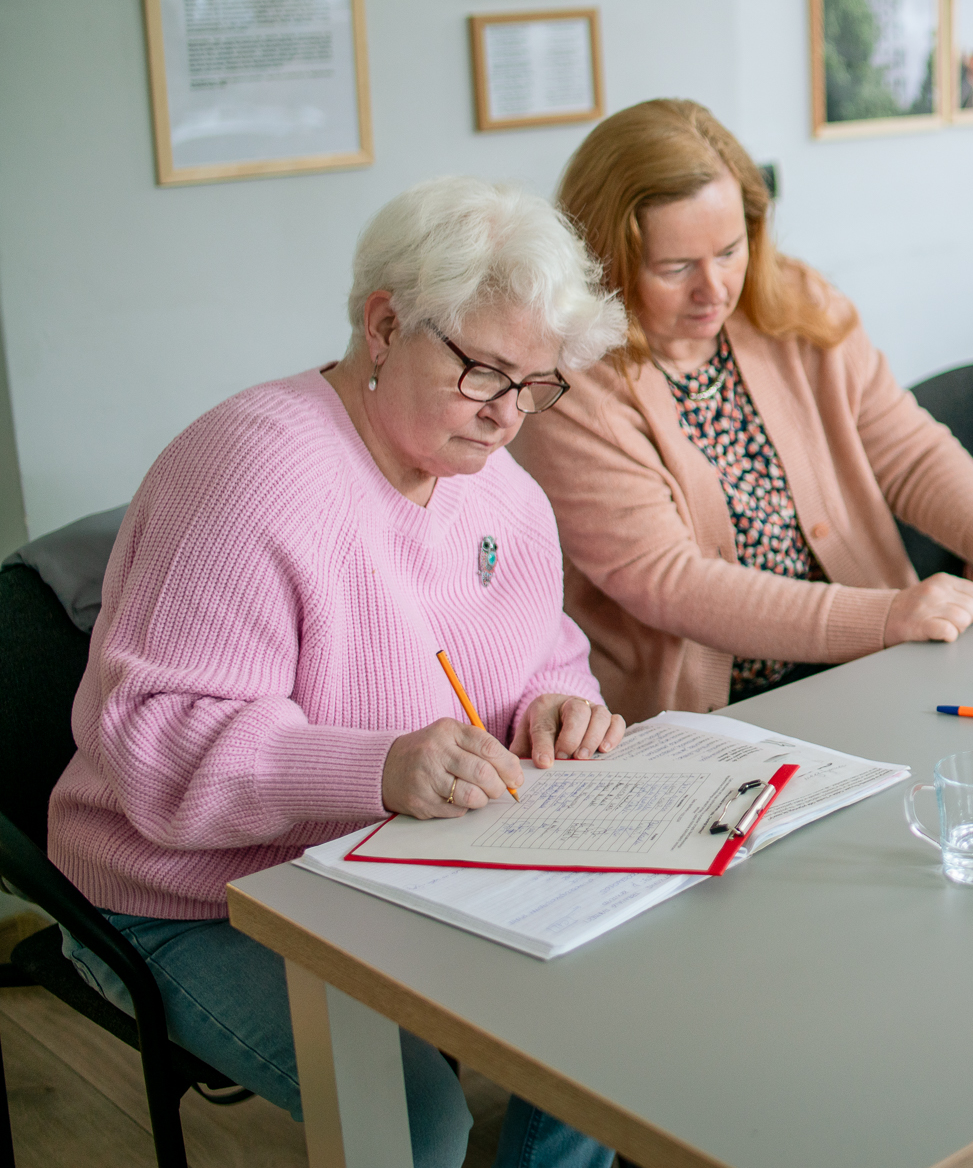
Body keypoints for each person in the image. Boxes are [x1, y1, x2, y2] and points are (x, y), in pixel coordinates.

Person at [46, 179, 632, 1168]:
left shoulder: (502, 494)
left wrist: (561, 708)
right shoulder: (246, 472)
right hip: (198, 894)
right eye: (486, 374)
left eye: (536, 388)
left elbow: (543, 654)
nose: (506, 419)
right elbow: (156, 742)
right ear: (384, 323)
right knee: (416, 1119)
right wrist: (375, 766)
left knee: (611, 1012)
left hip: (398, 868)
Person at [510, 99, 973, 722]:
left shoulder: (792, 299)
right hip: (716, 709)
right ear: (607, 261)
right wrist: (885, 615)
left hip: (869, 661)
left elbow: (904, 446)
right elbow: (669, 580)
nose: (715, 289)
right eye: (675, 268)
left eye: (730, 251)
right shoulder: (569, 384)